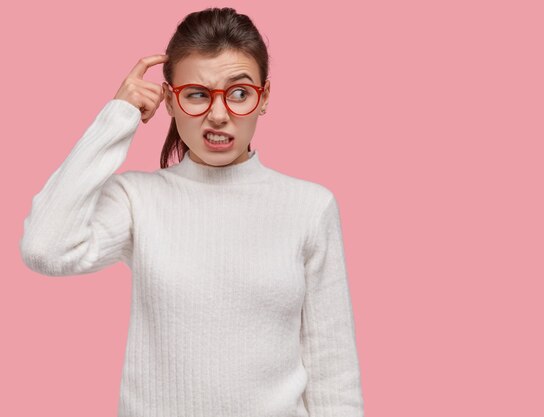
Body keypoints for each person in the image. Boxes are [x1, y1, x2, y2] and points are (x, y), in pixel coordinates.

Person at [19, 7, 364, 417]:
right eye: (197, 94)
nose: (218, 115)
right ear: (170, 99)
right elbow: (45, 248)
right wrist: (117, 117)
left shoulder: (309, 206)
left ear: (264, 98)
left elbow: (332, 370)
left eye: (239, 93)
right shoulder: (138, 199)